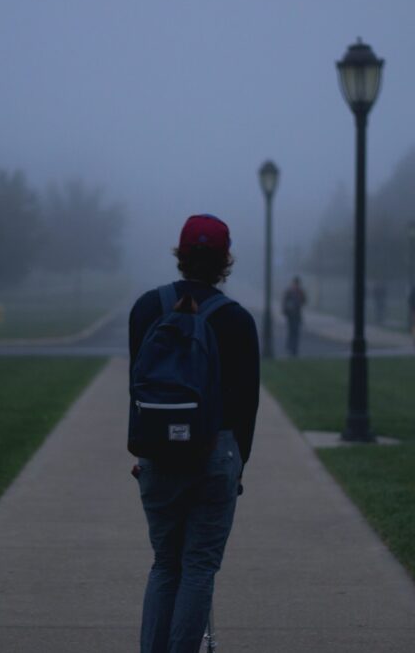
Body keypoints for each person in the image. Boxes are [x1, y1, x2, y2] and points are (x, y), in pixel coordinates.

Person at [128, 214, 260, 653]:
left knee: (166, 565)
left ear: (181, 256)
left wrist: (145, 452)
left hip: (158, 457)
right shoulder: (237, 321)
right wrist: (238, 465)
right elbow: (246, 408)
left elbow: (138, 388)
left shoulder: (147, 309)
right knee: (199, 567)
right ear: (225, 261)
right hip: (215, 454)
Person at [281, 276, 307, 356]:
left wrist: (299, 302)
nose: (296, 285)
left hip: (297, 315)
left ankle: (294, 348)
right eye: (295, 284)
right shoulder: (289, 292)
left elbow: (304, 300)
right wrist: (286, 310)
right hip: (290, 315)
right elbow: (285, 302)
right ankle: (290, 347)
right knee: (291, 331)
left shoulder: (300, 292)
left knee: (296, 332)